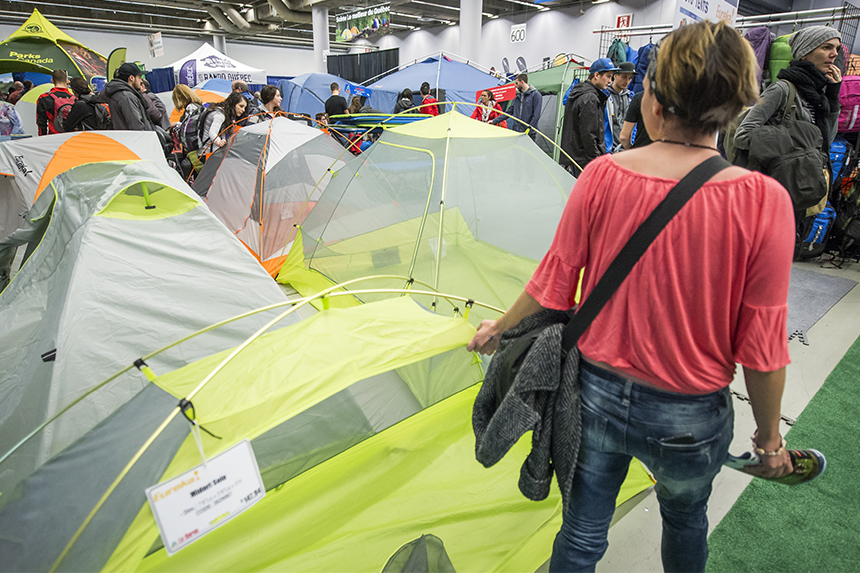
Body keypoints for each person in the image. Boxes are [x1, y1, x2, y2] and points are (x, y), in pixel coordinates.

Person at [468, 21, 794, 573]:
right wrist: (768, 440)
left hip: (593, 395)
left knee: (581, 536)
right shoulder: (763, 200)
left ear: (654, 98)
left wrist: (497, 329)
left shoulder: (601, 176)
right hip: (691, 414)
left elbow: (553, 280)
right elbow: (762, 348)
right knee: (687, 521)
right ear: (739, 104)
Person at [733, 25, 842, 218]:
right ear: (805, 54)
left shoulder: (819, 96)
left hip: (799, 193)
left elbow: (825, 142)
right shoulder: (782, 89)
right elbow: (743, 136)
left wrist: (833, 97)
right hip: (769, 194)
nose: (834, 54)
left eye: (836, 49)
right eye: (826, 47)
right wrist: (796, 141)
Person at [560, 58, 618, 176]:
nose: (610, 81)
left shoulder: (578, 92)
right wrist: (596, 162)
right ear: (596, 75)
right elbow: (589, 135)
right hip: (585, 161)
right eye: (608, 76)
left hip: (574, 158)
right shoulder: (590, 98)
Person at [104, 62, 157, 132]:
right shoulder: (126, 97)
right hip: (140, 140)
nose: (141, 81)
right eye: (139, 77)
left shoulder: (121, 94)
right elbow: (137, 125)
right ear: (131, 78)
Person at [496, 73, 541, 138]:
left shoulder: (536, 95)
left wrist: (529, 129)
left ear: (522, 82)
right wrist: (494, 121)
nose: (515, 85)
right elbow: (509, 112)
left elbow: (536, 115)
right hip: (516, 132)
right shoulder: (517, 97)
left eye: (516, 83)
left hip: (529, 134)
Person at [605, 61, 635, 152]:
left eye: (630, 78)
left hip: (624, 149)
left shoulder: (630, 97)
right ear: (615, 75)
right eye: (624, 77)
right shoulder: (605, 96)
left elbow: (633, 125)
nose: (627, 81)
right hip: (607, 150)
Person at [36, 69, 76, 136]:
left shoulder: (44, 98)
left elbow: (41, 123)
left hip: (54, 136)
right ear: (67, 81)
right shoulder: (75, 98)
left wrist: (42, 138)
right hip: (71, 137)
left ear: (52, 81)